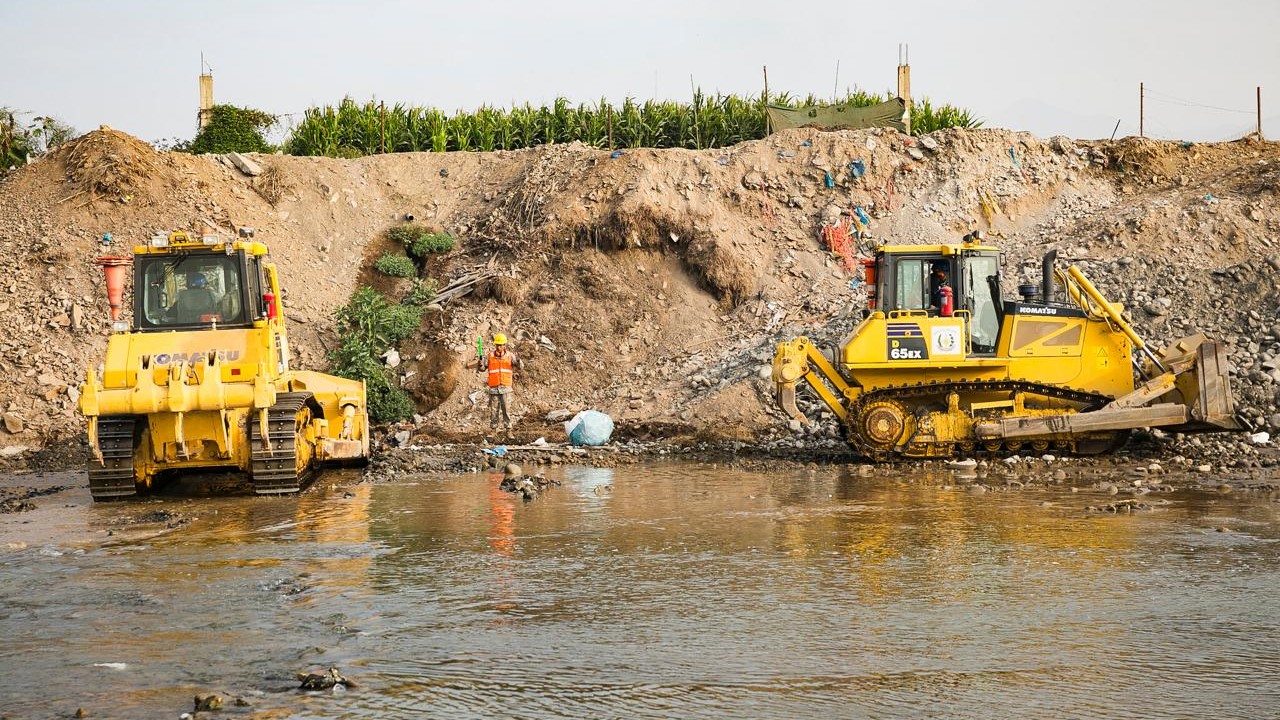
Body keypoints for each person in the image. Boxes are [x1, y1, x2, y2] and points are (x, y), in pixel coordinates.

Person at [478, 333, 522, 431]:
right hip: (494, 388)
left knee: (506, 410)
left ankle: (508, 430)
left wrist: (519, 360)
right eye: (497, 345)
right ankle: (493, 430)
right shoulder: (490, 356)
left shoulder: (510, 356)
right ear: (495, 345)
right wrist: (480, 365)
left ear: (504, 345)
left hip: (506, 388)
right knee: (494, 411)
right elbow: (482, 369)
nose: (499, 347)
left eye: (501, 345)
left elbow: (520, 367)